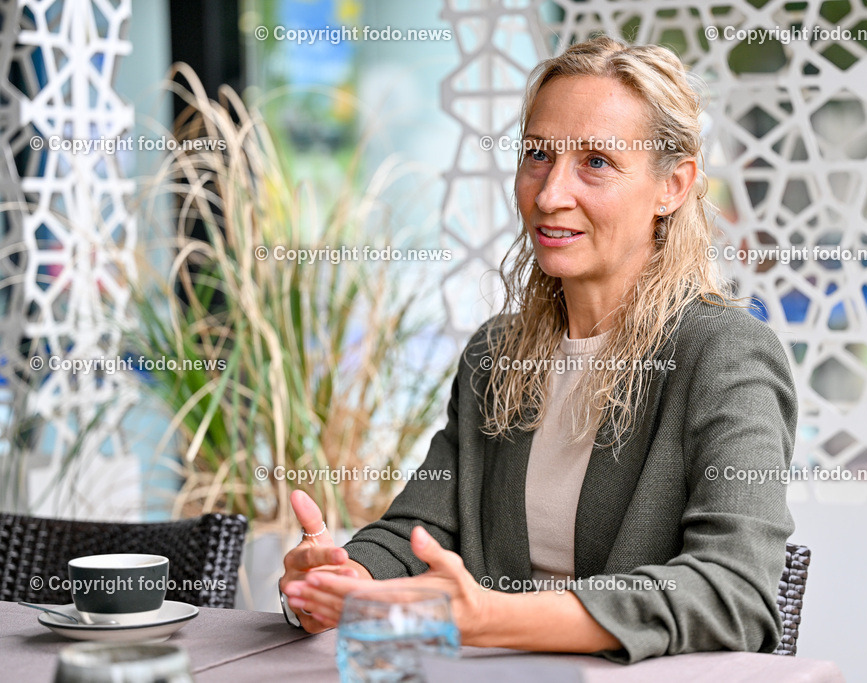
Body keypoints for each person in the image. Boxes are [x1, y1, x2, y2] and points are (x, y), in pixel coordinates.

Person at [279, 35, 797, 663]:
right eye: (538, 155)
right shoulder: (496, 356)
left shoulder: (726, 357)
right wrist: (342, 578)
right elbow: (419, 532)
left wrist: (492, 618)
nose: (551, 194)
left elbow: (733, 593)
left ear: (674, 186)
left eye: (596, 162)